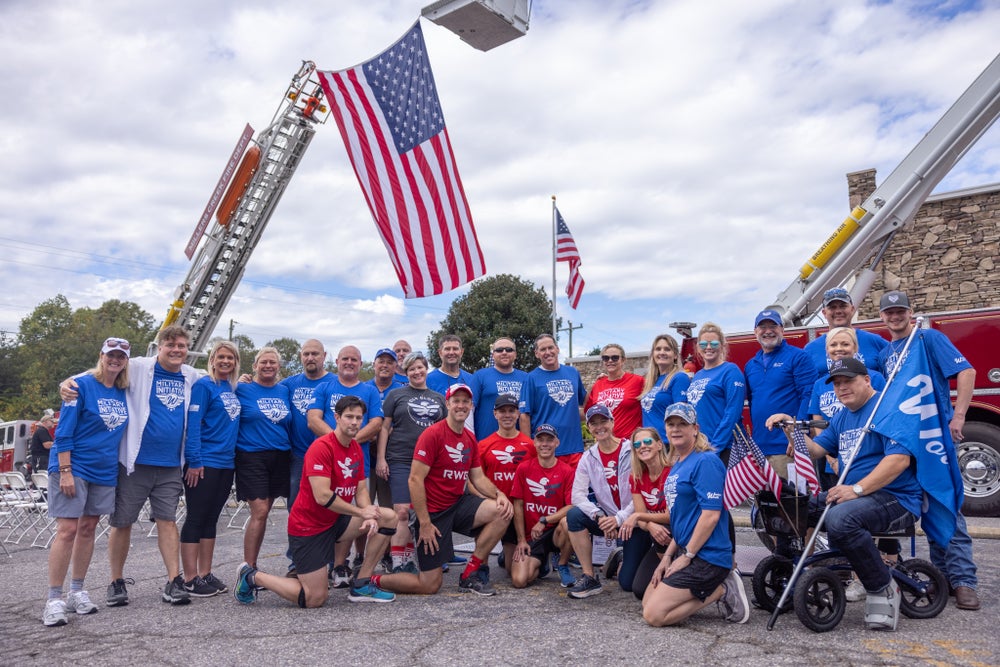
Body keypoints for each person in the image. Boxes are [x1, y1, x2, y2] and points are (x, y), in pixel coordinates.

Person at [766, 357, 922, 631]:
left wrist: (856, 489)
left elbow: (899, 461)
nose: (841, 388)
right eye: (837, 383)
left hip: (895, 497)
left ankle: (882, 587)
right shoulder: (842, 416)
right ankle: (789, 574)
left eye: (848, 381)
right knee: (788, 503)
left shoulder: (886, 409)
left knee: (841, 520)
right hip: (856, 497)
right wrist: (790, 427)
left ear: (867, 380)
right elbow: (815, 451)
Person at [62, 325, 201, 607]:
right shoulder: (138, 366)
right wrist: (66, 382)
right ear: (159, 347)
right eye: (170, 345)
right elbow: (100, 371)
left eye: (182, 346)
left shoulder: (192, 375)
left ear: (188, 350)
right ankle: (116, 581)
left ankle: (174, 581)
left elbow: (220, 379)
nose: (176, 350)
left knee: (168, 521)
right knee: (122, 522)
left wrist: (243, 379)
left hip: (171, 464)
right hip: (134, 463)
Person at [234, 396, 398, 607]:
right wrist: (361, 513)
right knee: (314, 598)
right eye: (349, 417)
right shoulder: (321, 447)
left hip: (335, 522)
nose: (355, 422)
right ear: (337, 418)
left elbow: (360, 490)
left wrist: (368, 511)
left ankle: (362, 584)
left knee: (388, 517)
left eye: (359, 418)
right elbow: (322, 497)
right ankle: (251, 576)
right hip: (308, 529)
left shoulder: (356, 448)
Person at [878, 290, 981, 611]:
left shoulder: (928, 339)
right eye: (889, 312)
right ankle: (944, 577)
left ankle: (965, 581)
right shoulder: (885, 354)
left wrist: (959, 414)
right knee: (921, 505)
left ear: (910, 312)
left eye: (900, 311)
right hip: (905, 442)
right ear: (882, 317)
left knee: (944, 501)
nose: (895, 316)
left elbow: (966, 371)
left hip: (933, 435)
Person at [377, 384, 514, 596]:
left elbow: (477, 477)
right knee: (429, 585)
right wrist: (424, 523)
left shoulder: (469, 438)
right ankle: (373, 580)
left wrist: (500, 494)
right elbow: (414, 479)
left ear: (471, 406)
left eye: (465, 401)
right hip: (432, 513)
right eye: (456, 401)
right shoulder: (432, 434)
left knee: (502, 510)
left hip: (457, 504)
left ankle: (470, 573)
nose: (461, 405)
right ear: (447, 404)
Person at [43, 338, 130, 627]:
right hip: (74, 466)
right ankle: (54, 598)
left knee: (89, 528)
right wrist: (65, 469)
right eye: (110, 355)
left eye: (121, 356)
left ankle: (76, 591)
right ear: (101, 356)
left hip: (104, 470)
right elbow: (64, 430)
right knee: (67, 529)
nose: (115, 360)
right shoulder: (79, 385)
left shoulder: (123, 390)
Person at [642, 403, 748, 627]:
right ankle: (705, 589)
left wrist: (686, 556)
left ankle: (720, 589)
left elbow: (711, 515)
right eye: (671, 424)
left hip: (707, 557)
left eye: (683, 424)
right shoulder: (678, 464)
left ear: (695, 428)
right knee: (647, 602)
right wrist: (669, 556)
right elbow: (680, 520)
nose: (676, 429)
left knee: (654, 615)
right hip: (686, 550)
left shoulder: (705, 461)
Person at [179, 341, 241, 597]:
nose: (225, 361)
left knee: (212, 519)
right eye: (221, 356)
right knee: (196, 517)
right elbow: (193, 423)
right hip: (204, 463)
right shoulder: (204, 386)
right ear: (213, 359)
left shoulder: (231, 387)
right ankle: (190, 577)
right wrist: (194, 460)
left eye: (231, 358)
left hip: (226, 463)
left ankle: (205, 572)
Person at [375, 352, 447, 573]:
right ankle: (400, 562)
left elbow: (445, 431)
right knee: (403, 512)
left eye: (420, 367)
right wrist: (381, 458)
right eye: (412, 369)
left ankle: (424, 557)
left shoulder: (438, 398)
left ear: (426, 369)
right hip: (401, 459)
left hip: (430, 463)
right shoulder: (396, 395)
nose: (417, 372)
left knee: (428, 511)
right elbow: (384, 428)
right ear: (406, 373)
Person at [562, 404, 633, 599]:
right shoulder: (588, 457)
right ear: (589, 427)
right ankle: (589, 576)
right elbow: (577, 495)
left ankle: (619, 558)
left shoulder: (631, 450)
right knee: (574, 515)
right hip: (608, 520)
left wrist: (619, 518)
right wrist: (600, 516)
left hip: (634, 519)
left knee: (627, 582)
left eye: (604, 421)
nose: (599, 427)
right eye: (594, 423)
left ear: (613, 422)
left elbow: (641, 493)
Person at [807, 327, 887, 490]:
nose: (839, 349)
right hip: (832, 456)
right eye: (833, 345)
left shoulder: (874, 377)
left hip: (866, 459)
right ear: (827, 350)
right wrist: (831, 459)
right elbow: (817, 421)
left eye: (845, 344)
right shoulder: (820, 384)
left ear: (855, 348)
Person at [234, 347, 293, 569]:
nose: (268, 366)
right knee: (259, 511)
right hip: (251, 456)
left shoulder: (284, 390)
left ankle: (288, 563)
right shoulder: (242, 388)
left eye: (273, 362)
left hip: (281, 455)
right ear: (255, 366)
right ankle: (248, 568)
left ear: (278, 367)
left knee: (269, 511)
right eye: (263, 362)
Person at [743, 310, 814, 475]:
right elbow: (751, 402)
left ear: (782, 329)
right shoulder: (751, 365)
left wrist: (798, 436)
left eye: (773, 326)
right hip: (760, 449)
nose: (768, 331)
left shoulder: (799, 357)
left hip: (787, 448)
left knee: (791, 500)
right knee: (765, 501)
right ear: (755, 332)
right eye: (763, 327)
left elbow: (809, 395)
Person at [509, 424, 574, 589]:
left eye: (549, 440)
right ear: (534, 443)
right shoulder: (524, 468)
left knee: (569, 522)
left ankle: (562, 563)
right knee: (520, 580)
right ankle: (542, 563)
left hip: (554, 532)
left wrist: (545, 520)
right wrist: (521, 540)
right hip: (533, 536)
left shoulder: (567, 471)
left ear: (557, 443)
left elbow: (571, 506)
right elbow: (518, 505)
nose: (545, 444)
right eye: (540, 440)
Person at [477, 393, 536, 571]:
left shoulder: (530, 445)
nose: (507, 415)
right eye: (502, 411)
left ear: (518, 414)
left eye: (511, 411)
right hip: (496, 508)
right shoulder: (484, 445)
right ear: (495, 414)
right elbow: (477, 479)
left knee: (512, 570)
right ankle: (481, 567)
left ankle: (508, 554)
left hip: (519, 511)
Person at [307, 345, 384, 477]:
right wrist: (337, 442)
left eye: (353, 360)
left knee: (359, 496)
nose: (349, 362)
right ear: (337, 362)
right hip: (325, 460)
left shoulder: (370, 391)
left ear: (360, 364)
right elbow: (313, 420)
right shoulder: (323, 387)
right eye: (345, 359)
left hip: (356, 464)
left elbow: (376, 423)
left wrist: (350, 442)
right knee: (324, 496)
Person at [280, 340, 332, 524]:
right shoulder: (288, 384)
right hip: (298, 456)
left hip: (328, 455)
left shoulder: (335, 382)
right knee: (296, 505)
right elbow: (264, 389)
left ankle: (323, 550)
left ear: (324, 356)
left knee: (326, 505)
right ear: (301, 356)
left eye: (315, 354)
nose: (310, 358)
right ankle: (297, 549)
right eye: (306, 354)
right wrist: (243, 381)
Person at [618, 427, 672, 600]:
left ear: (658, 445)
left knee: (664, 528)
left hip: (673, 533)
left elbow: (671, 515)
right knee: (629, 584)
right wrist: (649, 524)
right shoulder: (636, 476)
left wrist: (640, 517)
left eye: (647, 442)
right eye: (637, 444)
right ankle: (620, 560)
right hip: (651, 531)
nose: (643, 446)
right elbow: (640, 518)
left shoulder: (672, 472)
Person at [520, 334, 587, 467]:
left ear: (557, 349)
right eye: (543, 349)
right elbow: (524, 416)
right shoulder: (531, 378)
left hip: (574, 447)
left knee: (575, 488)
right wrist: (530, 448)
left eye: (551, 347)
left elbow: (586, 402)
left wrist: (601, 383)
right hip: (546, 450)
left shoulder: (572, 372)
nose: (548, 352)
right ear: (537, 353)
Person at [684, 323, 745, 465]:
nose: (709, 347)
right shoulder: (698, 375)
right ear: (698, 347)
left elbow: (732, 413)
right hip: (701, 448)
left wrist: (715, 447)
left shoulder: (730, 371)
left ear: (722, 346)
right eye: (704, 343)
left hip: (726, 449)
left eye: (714, 343)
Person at [803, 287, 889, 377]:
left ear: (852, 309)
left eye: (843, 306)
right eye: (832, 307)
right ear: (824, 313)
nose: (838, 311)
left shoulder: (875, 342)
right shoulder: (810, 350)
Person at [471, 337, 529, 440]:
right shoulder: (480, 376)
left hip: (518, 445)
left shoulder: (526, 378)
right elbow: (469, 410)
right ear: (493, 355)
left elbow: (528, 413)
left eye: (509, 349)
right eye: (499, 350)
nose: (504, 352)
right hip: (485, 443)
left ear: (515, 354)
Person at [585, 343, 645, 439]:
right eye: (606, 358)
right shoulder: (598, 384)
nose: (610, 361)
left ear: (623, 360)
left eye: (615, 358)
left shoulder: (637, 381)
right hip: (606, 443)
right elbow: (587, 411)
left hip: (630, 443)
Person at [638, 334, 691, 442]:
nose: (662, 352)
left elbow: (682, 416)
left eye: (667, 349)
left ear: (675, 355)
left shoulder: (679, 378)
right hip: (649, 443)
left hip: (668, 444)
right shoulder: (650, 381)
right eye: (658, 349)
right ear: (653, 354)